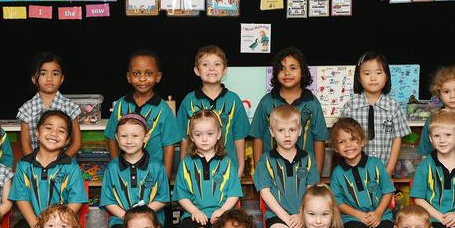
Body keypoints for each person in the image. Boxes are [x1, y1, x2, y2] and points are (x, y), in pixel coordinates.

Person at [173, 109, 243, 228]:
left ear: (219, 134)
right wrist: (194, 211)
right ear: (191, 137)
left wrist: (222, 211)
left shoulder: (228, 163)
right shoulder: (187, 163)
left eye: (209, 134)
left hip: (223, 215)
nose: (204, 139)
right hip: (195, 216)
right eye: (198, 134)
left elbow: (233, 194)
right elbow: (181, 195)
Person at [8, 110, 88, 228]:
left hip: (62, 222)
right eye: (48, 128)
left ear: (67, 140)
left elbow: (76, 200)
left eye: (61, 131)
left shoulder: (70, 166)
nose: (54, 133)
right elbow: (21, 198)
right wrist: (36, 225)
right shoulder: (24, 164)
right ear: (37, 133)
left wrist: (58, 223)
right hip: (32, 220)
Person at [253, 104, 319, 228]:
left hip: (305, 215)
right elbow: (265, 193)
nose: (287, 135)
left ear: (299, 131)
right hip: (277, 216)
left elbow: (311, 192)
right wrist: (287, 218)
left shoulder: (308, 158)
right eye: (281, 130)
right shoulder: (265, 160)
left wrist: (301, 215)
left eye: (291, 130)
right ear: (272, 133)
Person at [104, 49, 183, 178]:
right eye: (136, 73)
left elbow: (169, 146)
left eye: (148, 73)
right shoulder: (121, 105)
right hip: (125, 174)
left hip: (152, 175)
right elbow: (112, 138)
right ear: (129, 77)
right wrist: (116, 167)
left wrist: (166, 178)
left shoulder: (163, 109)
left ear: (158, 77)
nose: (142, 78)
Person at [250, 46, 328, 174]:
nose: (287, 73)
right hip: (271, 171)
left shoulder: (312, 103)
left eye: (293, 68)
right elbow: (257, 137)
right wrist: (260, 172)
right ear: (275, 73)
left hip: (304, 172)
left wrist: (316, 174)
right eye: (281, 68)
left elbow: (319, 140)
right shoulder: (267, 102)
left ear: (303, 71)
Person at [100, 113, 170, 228]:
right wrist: (128, 217)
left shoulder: (157, 166)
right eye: (124, 136)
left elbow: (162, 199)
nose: (129, 141)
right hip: (121, 219)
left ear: (146, 137)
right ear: (117, 138)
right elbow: (108, 201)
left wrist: (143, 216)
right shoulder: (112, 168)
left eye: (135, 136)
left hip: (151, 218)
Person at [177, 45, 250, 177]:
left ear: (225, 70)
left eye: (217, 64)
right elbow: (184, 138)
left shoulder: (233, 100)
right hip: (195, 171)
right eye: (205, 64)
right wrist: (183, 168)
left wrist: (241, 166)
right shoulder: (189, 101)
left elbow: (239, 137)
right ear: (197, 70)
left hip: (228, 171)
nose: (211, 69)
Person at [329, 117, 395, 228]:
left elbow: (388, 191)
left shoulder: (376, 164)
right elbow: (338, 203)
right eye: (342, 142)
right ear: (335, 148)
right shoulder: (337, 173)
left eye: (353, 139)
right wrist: (359, 215)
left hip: (381, 215)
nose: (348, 145)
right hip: (353, 218)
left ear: (362, 142)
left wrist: (377, 213)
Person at [340, 51, 411, 176]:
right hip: (355, 172)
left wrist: (388, 171)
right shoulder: (350, 107)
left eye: (379, 73)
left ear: (386, 76)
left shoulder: (393, 107)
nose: (373, 78)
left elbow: (397, 140)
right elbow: (342, 139)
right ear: (358, 77)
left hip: (385, 171)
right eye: (367, 73)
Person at [17, 51, 81, 157]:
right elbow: (25, 144)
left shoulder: (70, 107)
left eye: (55, 74)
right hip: (35, 166)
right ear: (34, 79)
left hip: (64, 167)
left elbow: (76, 143)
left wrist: (60, 163)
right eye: (43, 73)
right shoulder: (26, 109)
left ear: (61, 79)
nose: (49, 78)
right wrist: (34, 164)